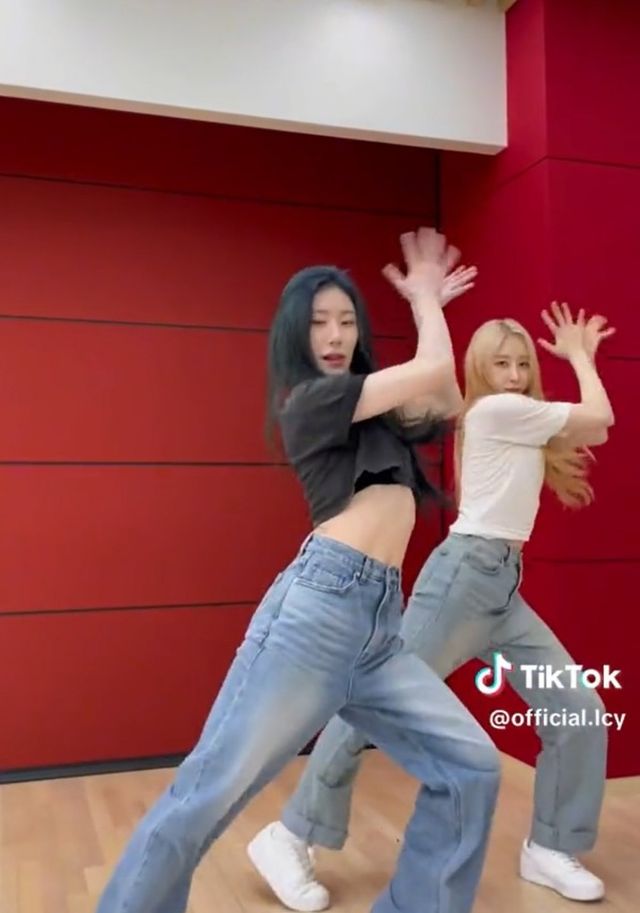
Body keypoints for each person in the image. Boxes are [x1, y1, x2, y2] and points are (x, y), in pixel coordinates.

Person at [94, 228, 502, 913]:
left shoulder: (378, 411)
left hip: (379, 630)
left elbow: (446, 398)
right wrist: (426, 300)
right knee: (207, 793)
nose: (335, 334)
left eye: (346, 320)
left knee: (470, 766)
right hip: (318, 613)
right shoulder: (311, 401)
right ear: (295, 335)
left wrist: (427, 307)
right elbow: (433, 367)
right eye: (318, 322)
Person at [248, 302, 615, 909]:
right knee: (375, 704)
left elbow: (592, 429)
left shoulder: (520, 419)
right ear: (481, 369)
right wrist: (580, 355)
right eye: (502, 363)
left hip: (501, 588)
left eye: (523, 364)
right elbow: (600, 419)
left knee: (578, 709)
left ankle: (550, 845)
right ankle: (289, 835)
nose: (515, 375)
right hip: (461, 584)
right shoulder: (495, 411)